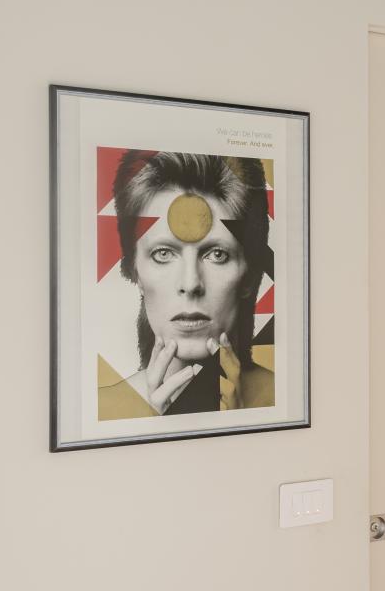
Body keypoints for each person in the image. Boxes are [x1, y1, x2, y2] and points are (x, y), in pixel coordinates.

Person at [99, 149, 274, 420]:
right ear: (135, 270)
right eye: (163, 253)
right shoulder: (100, 412)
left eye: (217, 254)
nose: (191, 284)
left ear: (249, 275)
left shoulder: (284, 399)